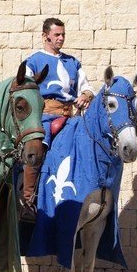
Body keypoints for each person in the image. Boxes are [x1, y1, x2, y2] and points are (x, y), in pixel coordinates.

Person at [20, 17, 95, 222]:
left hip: (71, 115)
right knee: (36, 149)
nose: (61, 38)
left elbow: (87, 87)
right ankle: (28, 201)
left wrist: (85, 96)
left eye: (63, 35)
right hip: (44, 116)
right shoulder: (32, 61)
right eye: (57, 35)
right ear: (45, 36)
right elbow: (24, 93)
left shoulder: (73, 62)